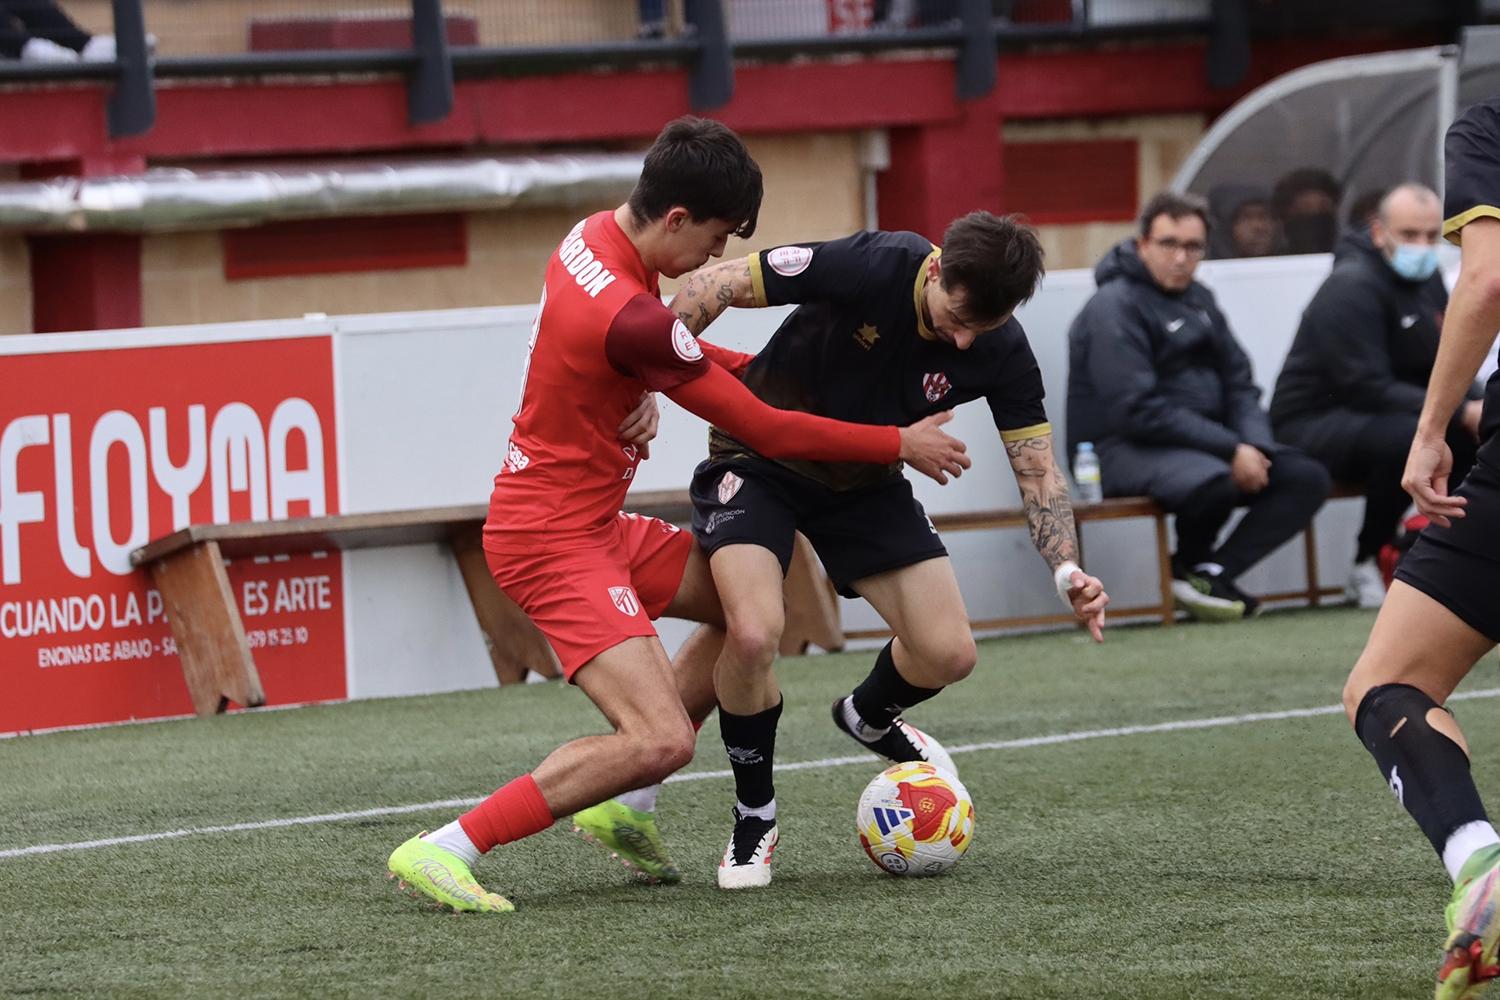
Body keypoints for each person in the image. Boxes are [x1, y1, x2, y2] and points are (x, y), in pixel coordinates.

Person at [383, 116, 968, 911]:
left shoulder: (593, 236)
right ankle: (448, 846)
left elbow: (679, 360)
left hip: (591, 523)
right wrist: (895, 440)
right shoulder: (631, 317)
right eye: (717, 239)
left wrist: (650, 383)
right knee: (659, 738)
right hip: (551, 541)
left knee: (744, 611)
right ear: (677, 217)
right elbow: (762, 426)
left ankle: (625, 805)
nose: (715, 259)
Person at [577, 211, 1109, 890]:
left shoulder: (1000, 348)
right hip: (759, 459)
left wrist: (1067, 569)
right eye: (957, 317)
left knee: (949, 653)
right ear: (936, 268)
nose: (964, 340)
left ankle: (867, 715)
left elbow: (1038, 471)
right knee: (752, 631)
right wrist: (646, 384)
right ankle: (755, 816)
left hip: (862, 482)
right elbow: (717, 282)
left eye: (984, 327)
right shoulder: (874, 263)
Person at [1343, 96, 1500, 1000]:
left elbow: (1485, 282)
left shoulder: (1488, 126)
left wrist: (1432, 428)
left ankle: (1482, 863)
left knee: (1388, 682)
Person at [1068, 190, 1331, 622]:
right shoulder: (1112, 307)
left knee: (1306, 476)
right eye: (1168, 244)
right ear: (1142, 245)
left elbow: (1240, 383)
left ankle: (1208, 573)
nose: (1181, 258)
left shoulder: (1200, 300)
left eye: (1192, 247)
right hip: (1120, 449)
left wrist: (1255, 446)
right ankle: (1190, 568)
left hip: (1202, 445)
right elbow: (1136, 409)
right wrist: (1231, 449)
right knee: (1214, 481)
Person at [1271, 183, 1482, 608]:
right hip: (1312, 421)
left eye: (1431, 235)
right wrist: (1461, 412)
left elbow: (1446, 363)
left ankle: (1446, 553)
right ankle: (1368, 560)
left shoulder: (1428, 283)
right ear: (1378, 233)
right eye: (1409, 234)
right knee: (1412, 438)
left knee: (1471, 436)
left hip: (1382, 413)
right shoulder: (1350, 285)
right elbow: (1365, 385)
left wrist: (1481, 407)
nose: (1421, 246)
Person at [1273, 166, 1342, 255]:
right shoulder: (1270, 261)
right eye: (1303, 217)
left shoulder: (1351, 256)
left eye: (1323, 215)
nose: (1315, 226)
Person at [1207, 182, 1276, 259]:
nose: (1259, 226)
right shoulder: (1204, 265)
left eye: (1265, 217)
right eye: (1245, 219)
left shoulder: (1286, 262)